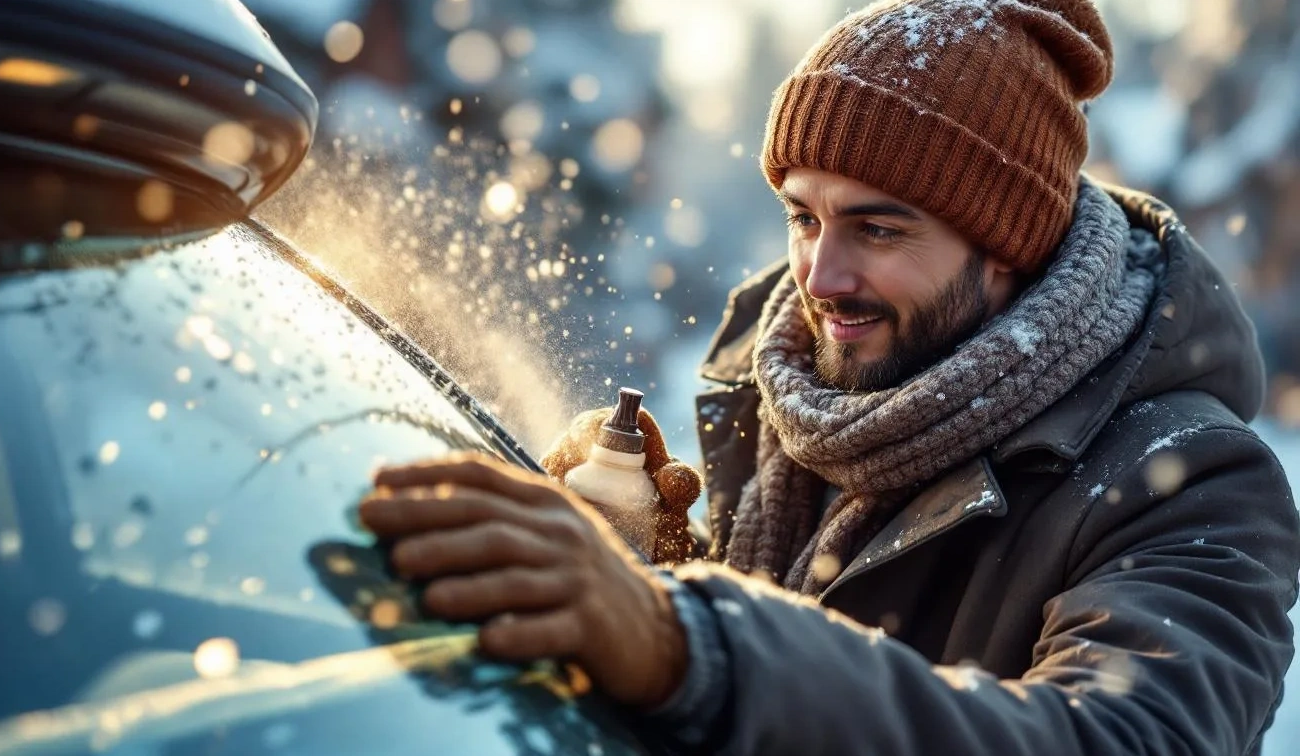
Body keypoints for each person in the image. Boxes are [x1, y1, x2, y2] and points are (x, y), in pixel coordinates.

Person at [358, 0, 1300, 752]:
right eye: (803, 217)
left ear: (1012, 246)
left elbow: (1120, 738)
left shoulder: (1193, 486)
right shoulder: (807, 403)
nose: (820, 277)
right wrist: (646, 566)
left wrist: (686, 642)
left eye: (878, 228)